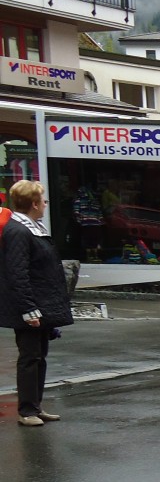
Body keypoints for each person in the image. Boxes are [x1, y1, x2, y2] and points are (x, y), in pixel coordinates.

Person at [0, 180, 73, 426]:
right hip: (29, 308)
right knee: (30, 357)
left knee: (39, 356)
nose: (45, 204)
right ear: (33, 203)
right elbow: (17, 274)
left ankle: (35, 406)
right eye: (43, 200)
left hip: (40, 305)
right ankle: (27, 411)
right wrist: (29, 309)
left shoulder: (32, 227)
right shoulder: (18, 231)